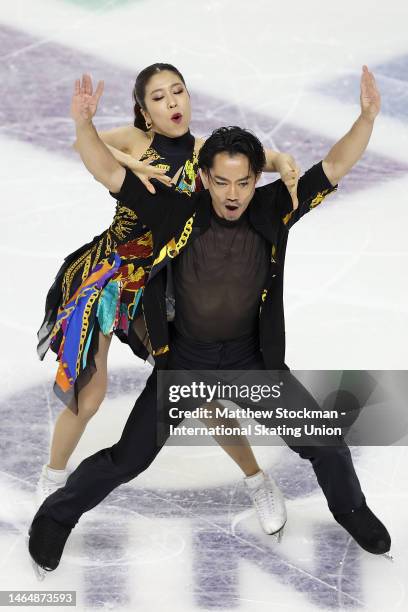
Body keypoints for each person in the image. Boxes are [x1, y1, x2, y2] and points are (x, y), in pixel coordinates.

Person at [29, 65, 391, 578]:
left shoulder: (274, 207)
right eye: (220, 181)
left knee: (326, 442)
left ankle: (352, 511)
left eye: (243, 182)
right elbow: (107, 172)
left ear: (256, 179)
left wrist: (367, 118)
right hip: (185, 365)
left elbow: (333, 166)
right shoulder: (175, 212)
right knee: (126, 461)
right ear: (203, 178)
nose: (232, 194)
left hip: (251, 363)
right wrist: (84, 126)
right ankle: (55, 517)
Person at [36, 63, 300, 534]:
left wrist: (281, 163)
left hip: (158, 284)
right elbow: (93, 148)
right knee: (91, 393)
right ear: (145, 111)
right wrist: (89, 126)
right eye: (159, 97)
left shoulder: (205, 153)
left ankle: (257, 480)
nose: (173, 102)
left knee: (198, 390)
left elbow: (260, 159)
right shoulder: (136, 141)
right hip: (108, 276)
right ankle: (53, 478)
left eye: (178, 91)